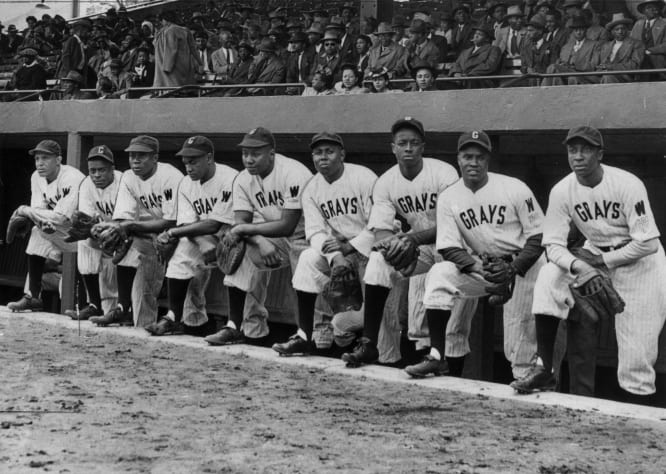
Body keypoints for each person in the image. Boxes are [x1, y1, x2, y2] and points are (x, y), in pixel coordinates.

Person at [520, 126, 666, 405]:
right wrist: (580, 266)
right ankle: (544, 367)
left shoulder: (627, 183)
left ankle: (636, 424)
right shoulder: (562, 190)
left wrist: (599, 261)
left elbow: (648, 243)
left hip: (641, 264)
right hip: (594, 255)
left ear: (600, 154)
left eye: (585, 149)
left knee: (636, 361)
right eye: (572, 149)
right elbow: (552, 245)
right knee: (550, 274)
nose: (578, 156)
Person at [341, 117, 475, 369]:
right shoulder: (386, 182)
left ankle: (455, 383)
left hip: (459, 248)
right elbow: (381, 232)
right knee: (379, 261)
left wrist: (409, 239)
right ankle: (369, 343)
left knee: (454, 326)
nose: (408, 148)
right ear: (393, 147)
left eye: (414, 143)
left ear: (423, 146)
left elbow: (452, 225)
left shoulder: (443, 172)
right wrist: (391, 247)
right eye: (402, 143)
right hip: (422, 246)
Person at [417, 130, 544, 381]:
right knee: (439, 273)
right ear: (459, 159)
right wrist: (476, 268)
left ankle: (526, 392)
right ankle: (435, 355)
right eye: (467, 156)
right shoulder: (450, 196)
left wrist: (514, 268)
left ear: (488, 160)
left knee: (518, 343)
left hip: (524, 266)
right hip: (485, 266)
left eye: (479, 157)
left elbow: (538, 236)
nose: (473, 162)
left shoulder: (514, 188)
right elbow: (449, 246)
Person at [271, 132, 379, 356]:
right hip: (340, 250)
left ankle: (371, 349)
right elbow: (315, 232)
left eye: (329, 151)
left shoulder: (363, 177)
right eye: (318, 152)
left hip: (373, 248)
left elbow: (379, 225)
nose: (323, 157)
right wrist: (336, 257)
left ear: (342, 154)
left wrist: (348, 248)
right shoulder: (311, 188)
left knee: (377, 317)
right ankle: (303, 336)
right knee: (308, 258)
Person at [204, 127, 313, 346]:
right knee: (239, 246)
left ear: (271, 153)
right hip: (271, 236)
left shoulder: (293, 172)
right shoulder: (243, 179)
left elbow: (288, 225)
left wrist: (248, 231)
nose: (249, 159)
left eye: (256, 153)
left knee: (304, 271)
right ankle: (234, 326)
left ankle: (308, 336)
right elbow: (241, 222)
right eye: (245, 153)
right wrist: (259, 240)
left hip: (307, 236)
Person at [145, 136, 238, 336]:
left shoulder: (229, 178)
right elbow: (187, 222)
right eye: (186, 162)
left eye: (194, 161)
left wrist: (172, 232)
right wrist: (200, 241)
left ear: (209, 158)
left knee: (236, 267)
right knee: (181, 254)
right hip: (201, 233)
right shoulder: (186, 184)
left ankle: (235, 326)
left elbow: (216, 222)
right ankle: (173, 317)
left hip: (234, 232)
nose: (188, 167)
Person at [89, 136, 183, 328]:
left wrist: (127, 227)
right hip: (154, 235)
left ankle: (191, 332)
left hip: (183, 234)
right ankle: (124, 311)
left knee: (191, 298)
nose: (135, 160)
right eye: (132, 155)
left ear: (155, 157)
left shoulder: (170, 176)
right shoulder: (129, 177)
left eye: (142, 155)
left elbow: (171, 221)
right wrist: (109, 226)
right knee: (122, 237)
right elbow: (124, 217)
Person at [7, 140, 85, 312]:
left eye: (45, 158)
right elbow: (38, 210)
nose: (39, 163)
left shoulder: (72, 177)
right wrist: (40, 220)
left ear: (58, 160)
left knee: (92, 270)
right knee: (37, 231)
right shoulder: (36, 177)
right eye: (37, 159)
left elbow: (62, 217)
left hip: (84, 235)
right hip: (60, 230)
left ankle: (89, 308)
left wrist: (23, 210)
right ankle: (33, 297)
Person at [65, 145, 122, 320]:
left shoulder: (123, 181)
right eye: (92, 170)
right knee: (84, 242)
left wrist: (103, 228)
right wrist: (91, 228)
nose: (96, 175)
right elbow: (86, 218)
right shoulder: (87, 184)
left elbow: (126, 218)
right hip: (101, 230)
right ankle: (94, 304)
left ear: (112, 168)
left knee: (109, 244)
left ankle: (113, 309)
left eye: (101, 170)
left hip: (124, 232)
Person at [542, 16, 600, 86]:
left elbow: (594, 65)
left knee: (553, 68)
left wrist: (574, 66)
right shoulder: (566, 47)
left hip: (584, 75)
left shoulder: (595, 45)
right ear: (573, 32)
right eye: (576, 30)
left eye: (581, 30)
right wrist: (561, 64)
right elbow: (559, 61)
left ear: (586, 30)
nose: (578, 32)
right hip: (566, 74)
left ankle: (545, 92)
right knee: (555, 73)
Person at [153, 10, 201, 88]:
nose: (161, 23)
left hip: (171, 67)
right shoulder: (185, 30)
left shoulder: (170, 30)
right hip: (185, 63)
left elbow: (171, 50)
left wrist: (167, 67)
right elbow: (193, 48)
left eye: (161, 21)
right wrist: (199, 62)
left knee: (173, 88)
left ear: (164, 20)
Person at [596, 14, 645, 84]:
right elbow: (602, 64)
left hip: (625, 76)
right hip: (604, 75)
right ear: (612, 32)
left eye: (623, 28)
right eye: (617, 29)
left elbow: (634, 65)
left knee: (607, 76)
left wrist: (611, 67)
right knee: (577, 77)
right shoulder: (606, 46)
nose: (620, 31)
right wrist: (600, 69)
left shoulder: (637, 44)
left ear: (627, 30)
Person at [630, 0, 666, 77]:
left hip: (659, 60)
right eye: (649, 7)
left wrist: (649, 51)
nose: (653, 9)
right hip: (639, 60)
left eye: (655, 7)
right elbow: (631, 43)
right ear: (643, 11)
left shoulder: (664, 23)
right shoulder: (638, 24)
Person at [58, 20, 91, 86]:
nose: (86, 33)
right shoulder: (72, 40)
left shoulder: (81, 43)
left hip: (78, 73)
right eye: (85, 30)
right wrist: (70, 72)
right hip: (70, 74)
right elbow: (65, 57)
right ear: (79, 31)